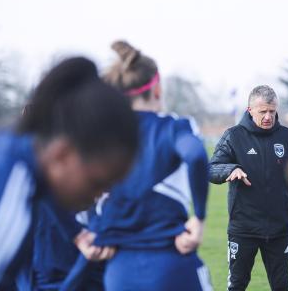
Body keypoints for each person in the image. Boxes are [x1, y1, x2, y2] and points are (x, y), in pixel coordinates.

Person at [0, 57, 138, 291]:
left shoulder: (15, 151)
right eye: (97, 182)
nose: (99, 195)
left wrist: (76, 233)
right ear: (63, 155)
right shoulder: (6, 193)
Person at [68, 41, 212, 291]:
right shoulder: (174, 127)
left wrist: (81, 234)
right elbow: (197, 156)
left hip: (119, 272)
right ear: (157, 90)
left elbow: (48, 184)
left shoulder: (101, 138)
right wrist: (199, 218)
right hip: (172, 264)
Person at [209, 85, 288, 291]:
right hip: (243, 228)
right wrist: (230, 170)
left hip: (279, 229)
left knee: (281, 286)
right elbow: (211, 168)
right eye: (263, 111)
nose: (268, 116)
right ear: (250, 110)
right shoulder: (234, 136)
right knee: (237, 285)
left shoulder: (287, 137)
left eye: (272, 111)